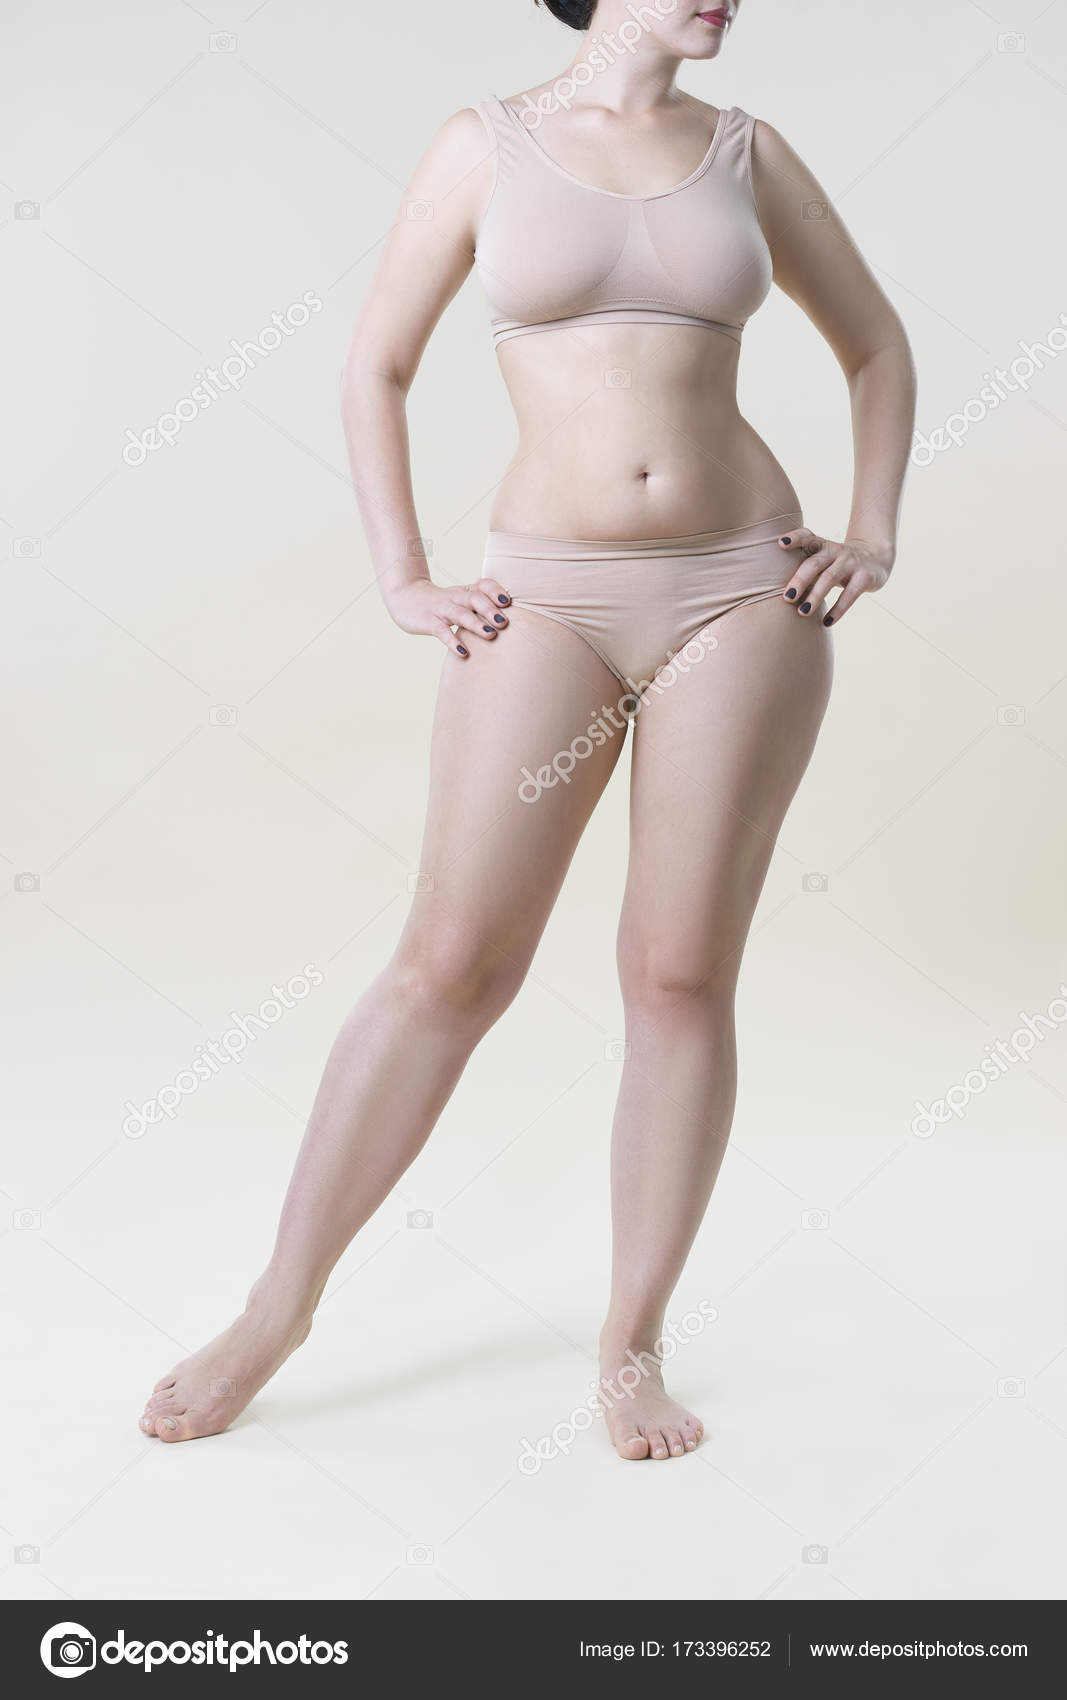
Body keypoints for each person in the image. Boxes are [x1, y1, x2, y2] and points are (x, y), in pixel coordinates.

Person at [140, 0, 915, 1461]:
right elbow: (377, 361)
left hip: (739, 592)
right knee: (451, 967)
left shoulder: (748, 151)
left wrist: (869, 532)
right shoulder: (485, 144)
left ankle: (630, 1346)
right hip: (546, 599)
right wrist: (403, 577)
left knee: (679, 976)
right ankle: (276, 1308)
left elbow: (876, 347)